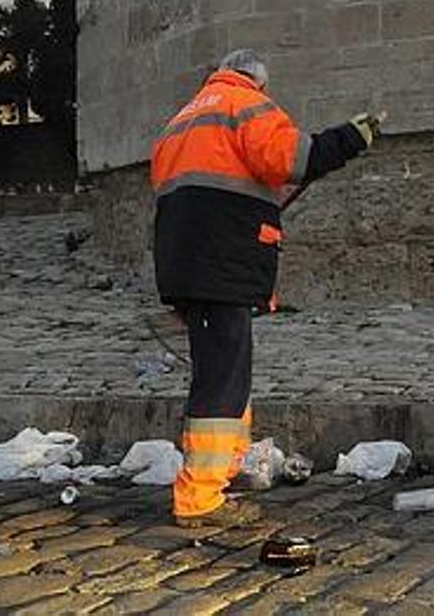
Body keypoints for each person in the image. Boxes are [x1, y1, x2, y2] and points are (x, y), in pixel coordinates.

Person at [151, 49, 380, 528]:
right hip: (222, 266)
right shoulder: (247, 106)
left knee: (225, 372)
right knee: (220, 380)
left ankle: (222, 473)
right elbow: (294, 159)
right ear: (256, 80)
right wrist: (352, 136)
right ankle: (199, 498)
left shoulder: (183, 118)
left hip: (188, 266)